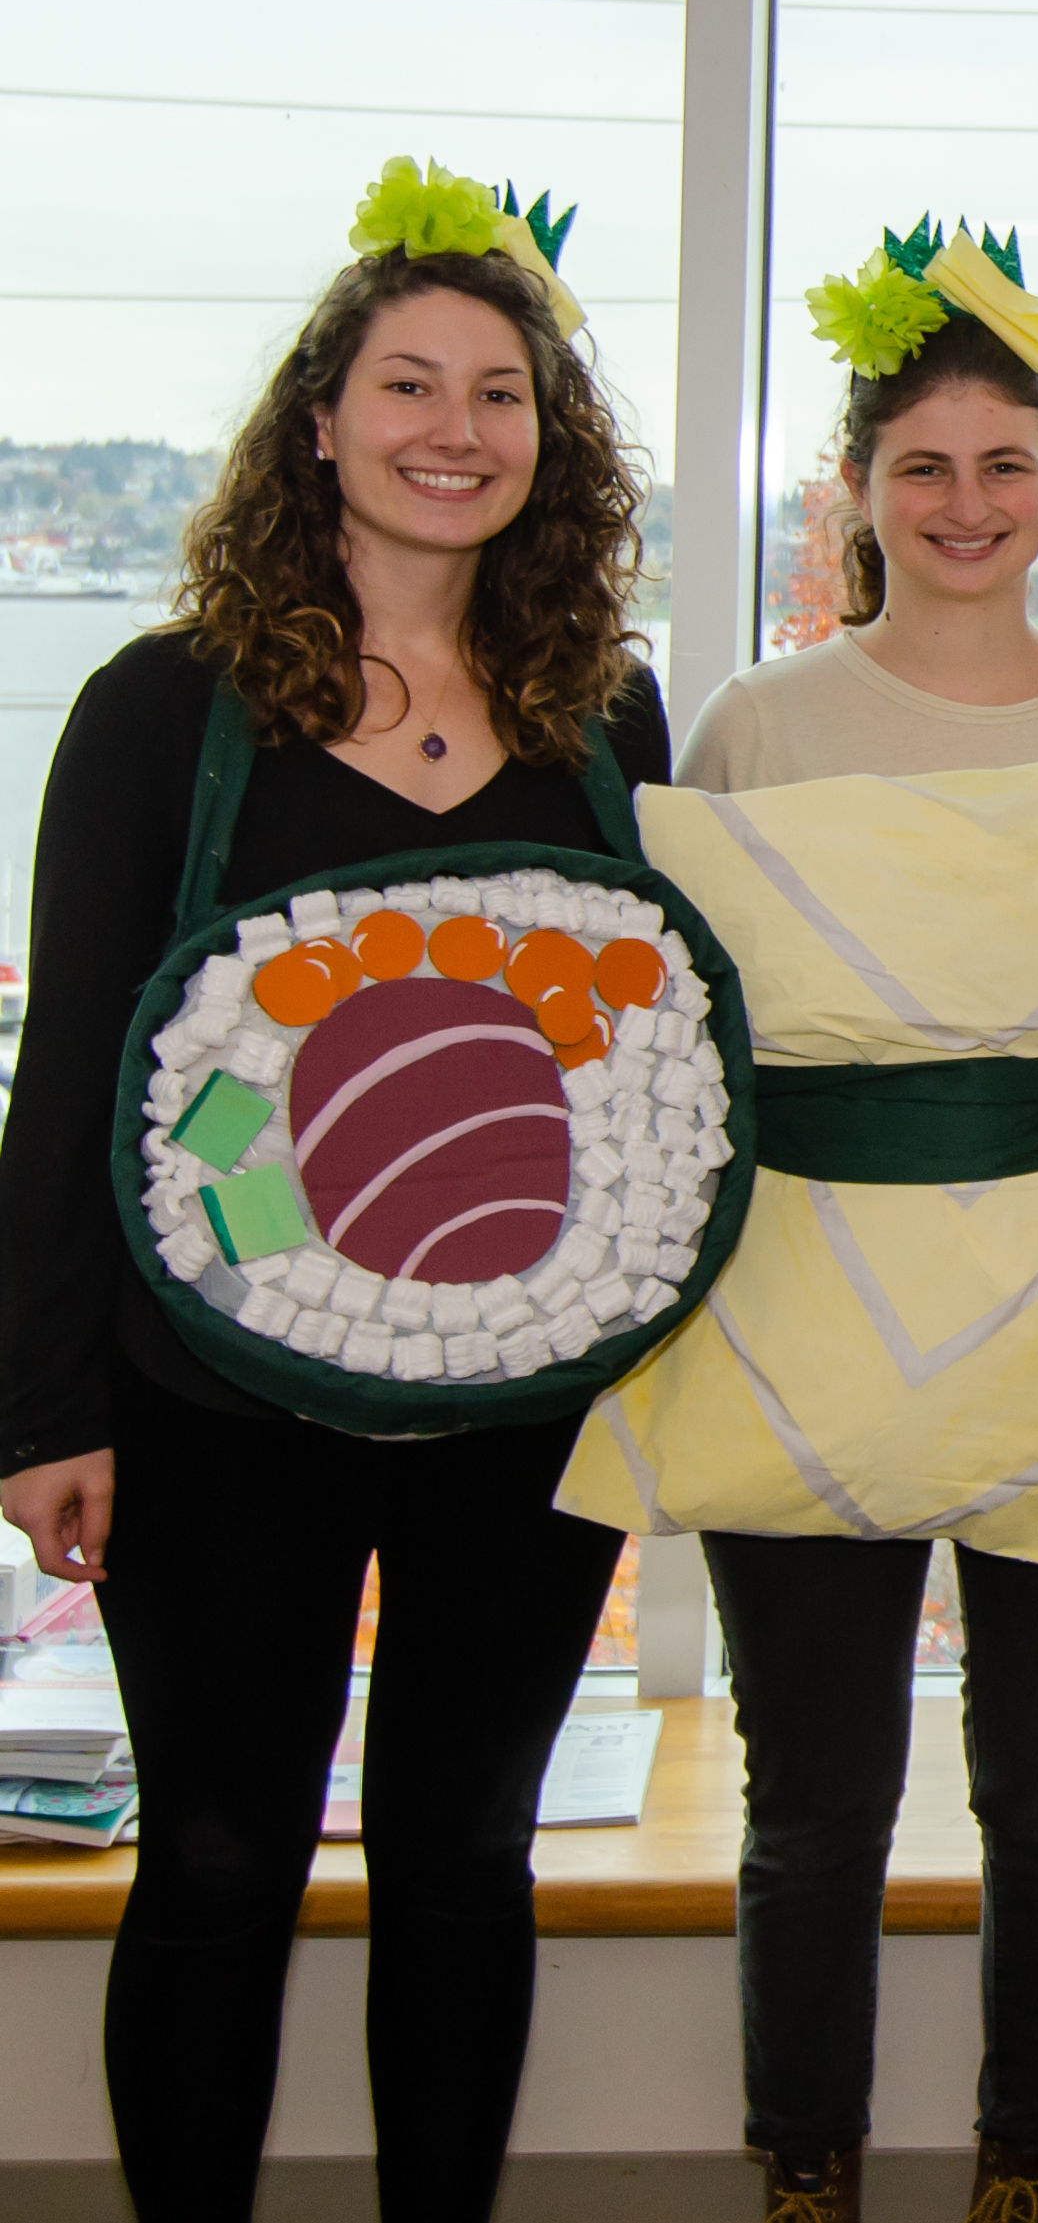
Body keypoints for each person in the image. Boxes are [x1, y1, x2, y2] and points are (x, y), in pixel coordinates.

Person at [0, 159, 663, 2223]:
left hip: (521, 1394)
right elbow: (70, 1075)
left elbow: (645, 1069)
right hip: (212, 1394)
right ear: (320, 418)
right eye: (408, 383)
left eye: (500, 395)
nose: (452, 429)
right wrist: (41, 1406)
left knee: (467, 1847)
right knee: (213, 1847)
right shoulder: (160, 709)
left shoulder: (604, 713)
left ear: (549, 449)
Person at [551, 223, 1038, 2223]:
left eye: (1001, 463)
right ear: (858, 487)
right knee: (816, 1799)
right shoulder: (757, 723)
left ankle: (1029, 2152)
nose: (963, 503)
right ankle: (807, 2166)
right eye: (921, 466)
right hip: (800, 1305)